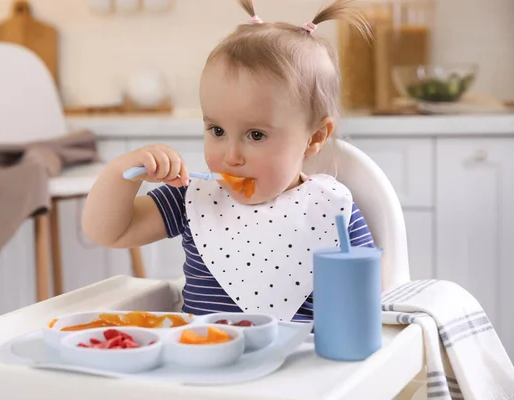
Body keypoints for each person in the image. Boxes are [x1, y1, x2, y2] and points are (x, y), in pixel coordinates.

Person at [82, 0, 375, 322]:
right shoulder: (192, 199)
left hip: (300, 364)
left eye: (256, 135)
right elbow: (110, 232)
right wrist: (121, 172)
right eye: (217, 130)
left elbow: (365, 304)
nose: (231, 157)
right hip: (203, 360)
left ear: (315, 137)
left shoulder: (332, 210)